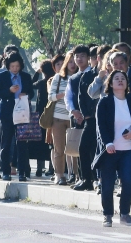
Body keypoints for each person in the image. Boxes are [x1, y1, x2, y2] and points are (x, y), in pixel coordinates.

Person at [92, 70, 131, 227]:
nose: (120, 81)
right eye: (116, 79)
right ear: (110, 84)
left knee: (128, 182)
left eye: (123, 79)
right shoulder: (104, 103)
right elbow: (101, 126)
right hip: (110, 150)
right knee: (108, 184)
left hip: (129, 150)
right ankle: (108, 215)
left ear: (127, 84)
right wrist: (108, 143)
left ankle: (125, 214)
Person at [75, 45, 111, 191]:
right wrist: (86, 114)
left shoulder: (114, 75)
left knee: (102, 150)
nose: (103, 60)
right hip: (90, 117)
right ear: (97, 58)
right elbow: (82, 96)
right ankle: (86, 179)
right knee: (84, 148)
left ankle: (99, 179)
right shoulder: (89, 75)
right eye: (101, 57)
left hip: (106, 119)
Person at [0, 52, 34, 181]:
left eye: (17, 66)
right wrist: (9, 91)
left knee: (21, 143)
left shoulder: (26, 76)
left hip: (22, 112)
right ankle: (5, 170)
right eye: (12, 66)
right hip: (7, 113)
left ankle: (22, 171)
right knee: (6, 142)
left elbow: (32, 92)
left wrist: (25, 94)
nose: (15, 69)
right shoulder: (2, 76)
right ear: (8, 66)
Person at [49, 52, 77, 185]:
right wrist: (64, 95)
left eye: (74, 61)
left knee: (75, 149)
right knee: (59, 149)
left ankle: (77, 175)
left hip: (74, 117)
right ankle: (59, 175)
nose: (72, 64)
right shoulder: (58, 78)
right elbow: (51, 97)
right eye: (70, 61)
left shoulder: (79, 77)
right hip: (58, 117)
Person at [64, 45, 91, 185]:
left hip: (91, 118)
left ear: (88, 58)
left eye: (82, 56)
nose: (79, 59)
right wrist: (74, 111)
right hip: (76, 117)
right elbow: (68, 98)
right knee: (78, 149)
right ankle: (81, 177)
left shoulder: (93, 74)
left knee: (89, 148)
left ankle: (91, 178)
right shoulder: (73, 78)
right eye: (77, 56)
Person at [31, 60, 56, 178]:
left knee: (40, 142)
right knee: (52, 141)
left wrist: (37, 72)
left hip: (41, 116)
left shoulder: (41, 83)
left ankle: (39, 168)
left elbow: (30, 84)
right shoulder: (54, 82)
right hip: (53, 114)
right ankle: (52, 167)